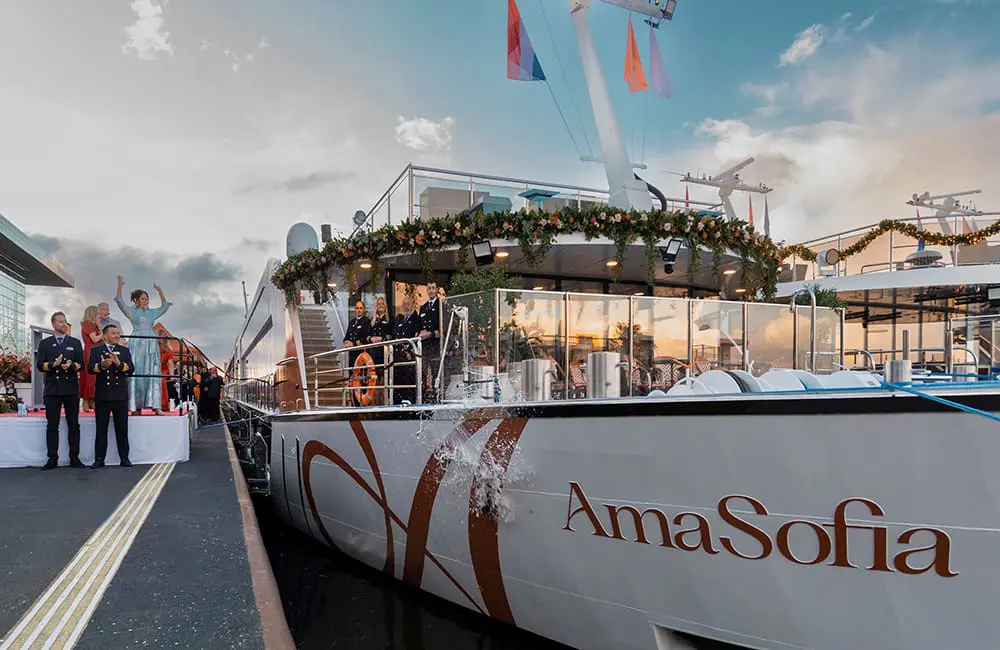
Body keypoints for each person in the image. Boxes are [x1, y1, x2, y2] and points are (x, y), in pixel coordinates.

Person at [114, 275, 171, 415]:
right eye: (143, 299)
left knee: (152, 372)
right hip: (138, 343)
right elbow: (120, 301)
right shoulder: (132, 312)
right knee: (137, 372)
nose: (146, 301)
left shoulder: (152, 313)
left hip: (151, 343)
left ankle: (155, 406)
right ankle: (136, 406)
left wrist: (160, 291)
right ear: (137, 301)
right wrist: (120, 284)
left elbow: (164, 307)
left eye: (147, 299)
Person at [36, 311, 85, 470]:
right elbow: (40, 365)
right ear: (53, 324)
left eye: (65, 321)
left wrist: (70, 365)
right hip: (52, 389)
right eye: (60, 322)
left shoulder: (75, 342)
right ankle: (52, 458)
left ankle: (74, 457)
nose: (64, 324)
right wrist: (53, 365)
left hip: (70, 388)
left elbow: (81, 365)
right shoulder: (45, 343)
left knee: (73, 425)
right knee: (52, 425)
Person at [88, 324, 135, 467]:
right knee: (101, 429)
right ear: (105, 335)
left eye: (118, 333)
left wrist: (119, 364)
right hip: (103, 396)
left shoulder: (124, 351)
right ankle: (99, 459)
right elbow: (90, 369)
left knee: (122, 429)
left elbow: (131, 370)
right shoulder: (96, 350)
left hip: (120, 396)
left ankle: (124, 458)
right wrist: (102, 365)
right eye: (114, 333)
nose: (117, 336)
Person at [391, 294, 421, 404]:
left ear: (413, 305)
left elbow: (417, 337)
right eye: (404, 304)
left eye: (408, 304)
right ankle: (398, 405)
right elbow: (395, 335)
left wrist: (411, 352)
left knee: (409, 382)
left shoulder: (416, 319)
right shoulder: (399, 319)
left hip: (409, 357)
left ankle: (409, 406)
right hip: (398, 357)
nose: (406, 306)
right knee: (398, 382)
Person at [418, 280, 442, 402]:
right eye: (429, 288)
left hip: (436, 346)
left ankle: (437, 399)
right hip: (425, 347)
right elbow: (419, 326)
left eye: (433, 288)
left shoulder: (441, 305)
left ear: (437, 290)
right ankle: (424, 398)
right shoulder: (423, 308)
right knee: (423, 374)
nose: (431, 290)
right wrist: (420, 333)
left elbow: (443, 327)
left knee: (435, 373)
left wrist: (430, 334)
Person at [368, 295, 392, 400]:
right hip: (374, 353)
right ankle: (375, 402)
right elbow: (367, 335)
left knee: (384, 379)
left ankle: (384, 401)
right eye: (379, 304)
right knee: (375, 380)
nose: (381, 306)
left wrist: (382, 339)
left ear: (385, 306)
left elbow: (391, 335)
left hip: (384, 353)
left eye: (382, 304)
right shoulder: (372, 321)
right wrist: (371, 339)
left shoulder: (389, 319)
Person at [79, 305, 102, 412]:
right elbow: (95, 339)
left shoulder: (94, 325)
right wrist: (101, 329)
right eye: (97, 313)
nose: (99, 315)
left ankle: (92, 400)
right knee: (90, 377)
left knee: (95, 378)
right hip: (91, 352)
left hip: (97, 351)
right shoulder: (87, 324)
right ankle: (86, 400)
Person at [343, 300, 371, 367]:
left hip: (361, 353)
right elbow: (346, 337)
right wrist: (346, 342)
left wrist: (354, 343)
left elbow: (366, 338)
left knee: (360, 374)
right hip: (352, 354)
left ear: (364, 309)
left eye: (361, 308)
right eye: (357, 308)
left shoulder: (367, 321)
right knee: (351, 374)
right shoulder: (351, 322)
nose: (359, 310)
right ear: (355, 309)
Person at [158, 331, 175, 412]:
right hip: (154, 370)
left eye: (163, 337)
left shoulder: (168, 351)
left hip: (163, 371)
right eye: (159, 336)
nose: (161, 338)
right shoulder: (153, 348)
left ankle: (162, 405)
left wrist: (172, 375)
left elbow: (170, 365)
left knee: (161, 381)